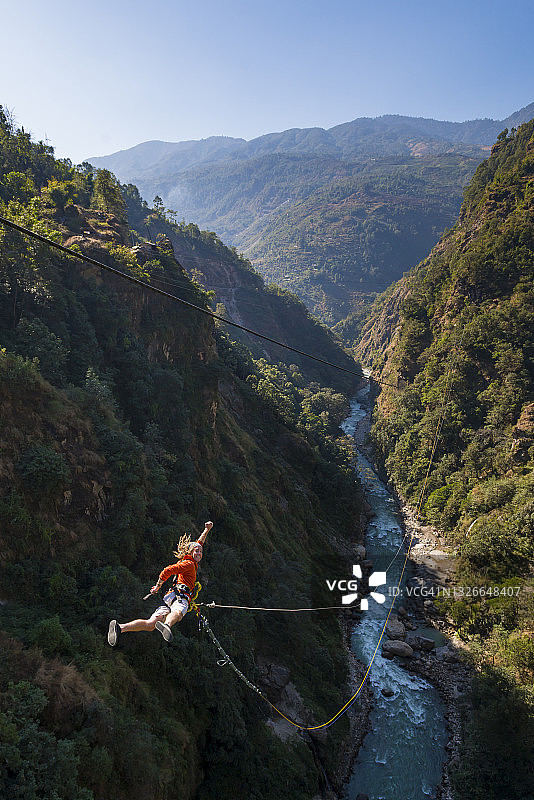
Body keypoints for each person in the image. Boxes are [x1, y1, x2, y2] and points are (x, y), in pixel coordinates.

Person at [107, 521, 213, 645]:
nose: (199, 553)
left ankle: (120, 627)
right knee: (178, 614)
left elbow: (199, 542)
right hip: (181, 597)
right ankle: (167, 625)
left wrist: (206, 530)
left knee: (151, 624)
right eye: (197, 551)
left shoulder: (188, 562)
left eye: (201, 551)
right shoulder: (188, 564)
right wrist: (158, 585)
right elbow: (167, 570)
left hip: (170, 596)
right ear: (190, 552)